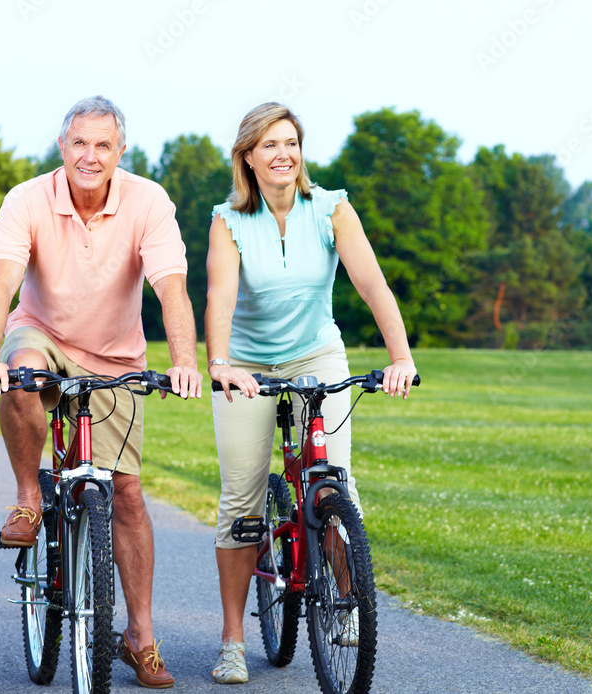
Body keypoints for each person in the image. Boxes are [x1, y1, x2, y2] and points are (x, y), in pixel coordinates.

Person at [0, 96, 202, 689]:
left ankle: (140, 636)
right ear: (62, 147)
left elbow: (171, 284)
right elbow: (2, 278)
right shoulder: (26, 199)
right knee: (21, 372)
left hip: (115, 357)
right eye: (79, 143)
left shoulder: (149, 201)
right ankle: (29, 496)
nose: (90, 156)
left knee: (125, 494)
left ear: (120, 150)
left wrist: (183, 363)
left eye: (103, 145)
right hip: (40, 334)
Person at [204, 102, 417, 684]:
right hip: (246, 363)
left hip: (317, 353)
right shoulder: (228, 221)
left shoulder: (331, 209)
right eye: (269, 144)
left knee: (334, 481)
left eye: (291, 143)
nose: (283, 154)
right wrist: (219, 363)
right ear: (248, 156)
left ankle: (347, 602)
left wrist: (400, 356)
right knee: (242, 501)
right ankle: (232, 640)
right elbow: (219, 298)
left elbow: (371, 282)